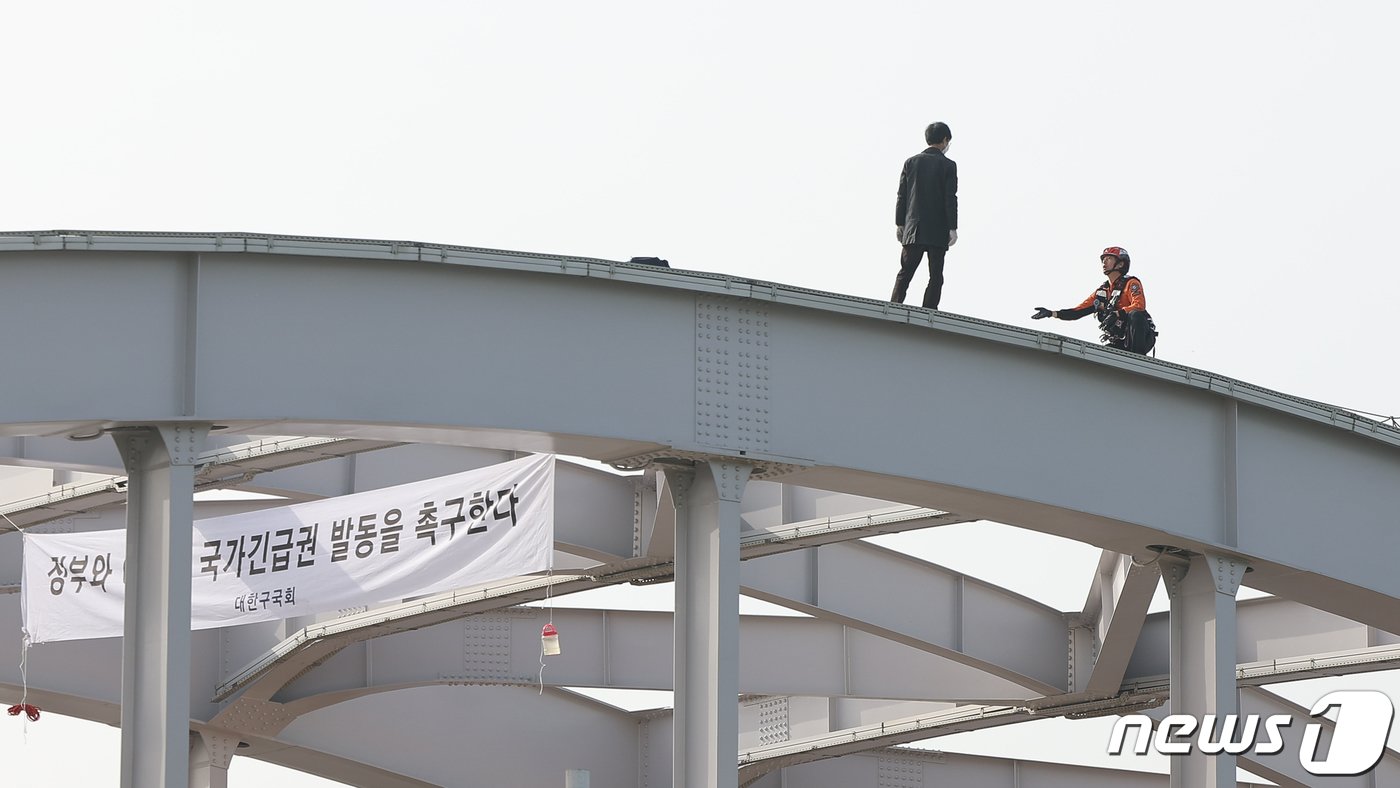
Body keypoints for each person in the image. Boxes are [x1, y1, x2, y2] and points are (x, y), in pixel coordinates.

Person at [1031, 246, 1157, 354]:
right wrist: (1052, 313)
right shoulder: (1101, 292)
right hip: (1121, 340)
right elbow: (1077, 311)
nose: (1104, 262)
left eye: (1109, 259)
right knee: (1103, 355)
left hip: (1142, 337)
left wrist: (1118, 313)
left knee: (1136, 315)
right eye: (1103, 259)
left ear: (1120, 264)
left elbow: (1139, 305)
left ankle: (1139, 360)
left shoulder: (1131, 283)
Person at [891, 122, 958, 309]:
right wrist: (953, 228)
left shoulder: (911, 162)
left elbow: (902, 195)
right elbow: (950, 198)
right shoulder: (949, 165)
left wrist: (899, 223)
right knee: (936, 275)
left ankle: (895, 305)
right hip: (939, 229)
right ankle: (929, 310)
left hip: (914, 228)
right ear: (945, 140)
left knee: (906, 272)